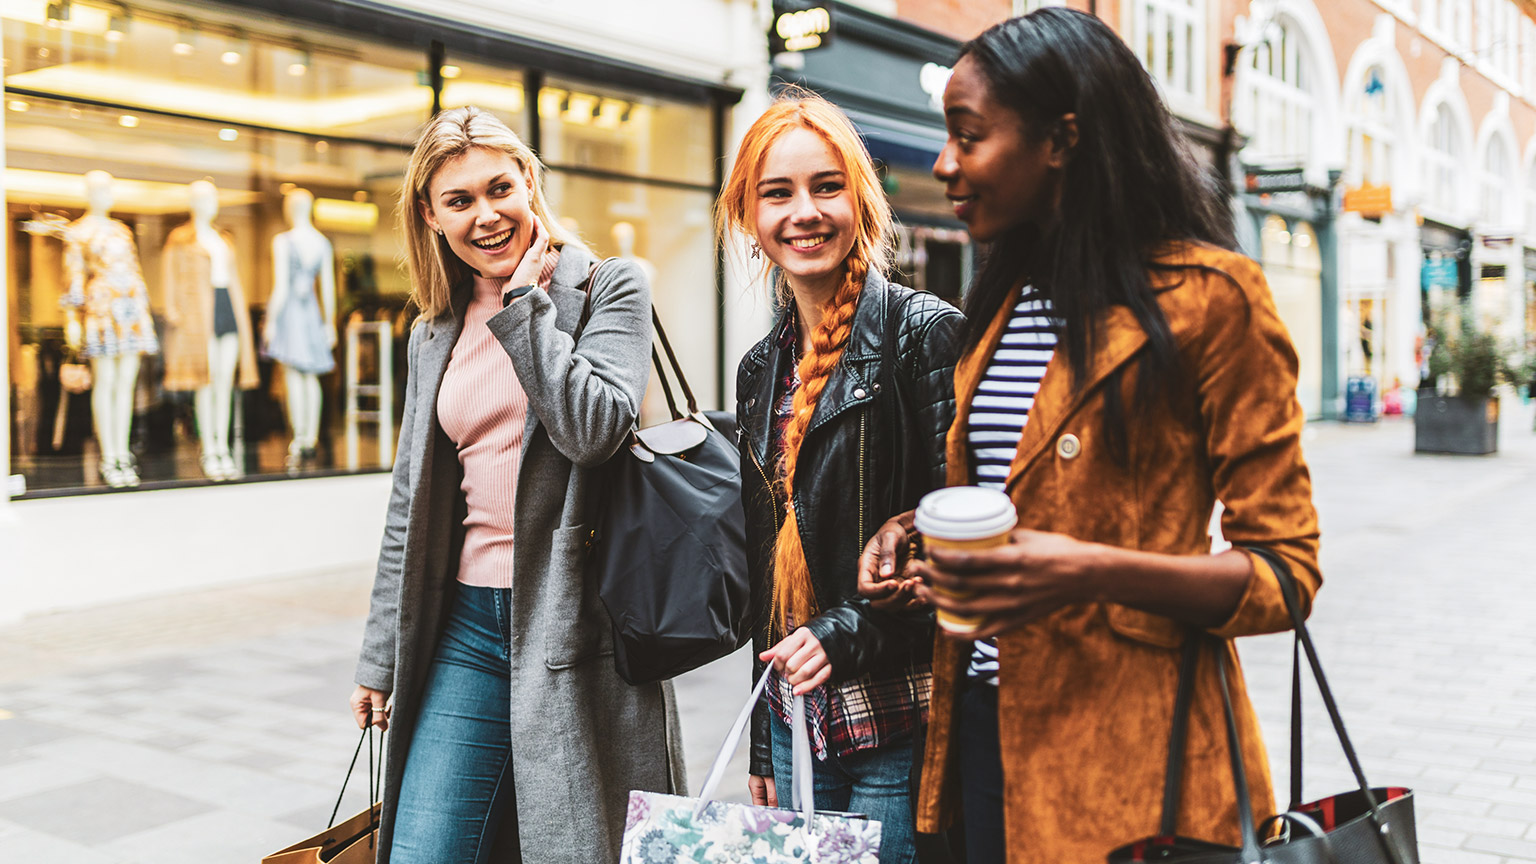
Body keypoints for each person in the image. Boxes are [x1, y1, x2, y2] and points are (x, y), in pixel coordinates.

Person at [856, 10, 1322, 862]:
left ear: (1062, 140)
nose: (945, 163)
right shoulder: (1001, 300)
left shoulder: (1215, 299)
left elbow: (1286, 576)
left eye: (968, 135)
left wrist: (1086, 569)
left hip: (1139, 758)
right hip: (983, 731)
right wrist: (919, 529)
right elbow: (1026, 488)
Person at [349, 106, 683, 864]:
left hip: (576, 622)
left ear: (530, 182)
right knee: (422, 851)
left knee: (572, 848)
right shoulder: (432, 330)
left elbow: (593, 431)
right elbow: (410, 497)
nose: (487, 215)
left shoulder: (610, 288)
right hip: (465, 626)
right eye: (459, 201)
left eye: (500, 188)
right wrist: (379, 656)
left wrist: (526, 309)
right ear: (431, 217)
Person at [718, 89, 964, 864]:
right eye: (778, 193)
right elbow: (770, 571)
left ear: (860, 199)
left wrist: (849, 630)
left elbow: (962, 531)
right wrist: (763, 737)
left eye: (827, 186)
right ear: (748, 218)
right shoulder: (760, 371)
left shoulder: (922, 333)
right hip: (799, 720)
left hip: (902, 713)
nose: (805, 212)